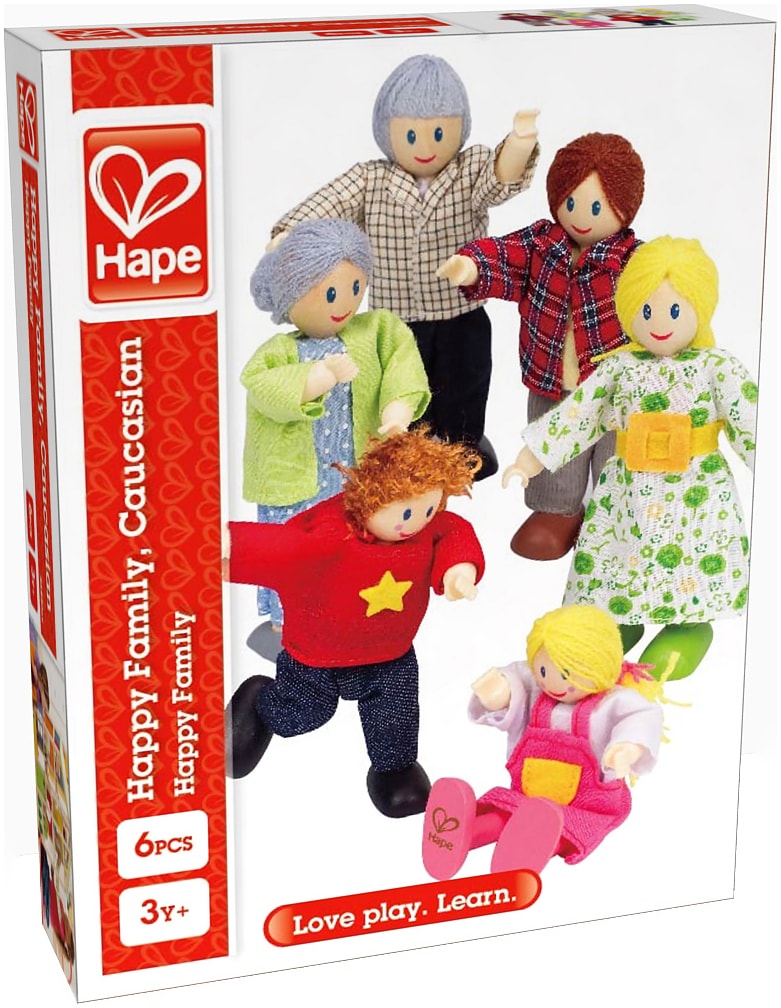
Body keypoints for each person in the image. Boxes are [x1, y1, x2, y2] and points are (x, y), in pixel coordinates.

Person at [270, 54, 540, 478]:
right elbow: (330, 201)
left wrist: (520, 142)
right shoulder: (371, 179)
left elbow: (500, 178)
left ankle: (463, 445)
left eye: (439, 133)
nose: (426, 147)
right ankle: (406, 447)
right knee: (401, 382)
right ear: (387, 131)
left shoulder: (467, 170)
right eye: (412, 134)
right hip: (398, 316)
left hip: (460, 309)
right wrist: (289, 232)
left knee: (466, 380)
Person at [503, 237, 757, 679]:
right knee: (617, 562)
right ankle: (615, 623)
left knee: (690, 564)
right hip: (627, 497)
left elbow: (751, 420)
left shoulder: (717, 368)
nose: (659, 323)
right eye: (646, 310)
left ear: (699, 307)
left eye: (673, 310)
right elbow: (577, 416)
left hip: (695, 497)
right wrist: (531, 458)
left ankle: (688, 628)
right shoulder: (617, 369)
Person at [224, 428, 485, 818]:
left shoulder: (427, 527)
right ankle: (259, 703)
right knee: (301, 714)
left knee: (395, 717)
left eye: (428, 509)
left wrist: (458, 569)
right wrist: (225, 544)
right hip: (315, 657)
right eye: (406, 513)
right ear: (372, 500)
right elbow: (277, 548)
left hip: (390, 655)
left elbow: (454, 531)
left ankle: (395, 771)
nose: (414, 525)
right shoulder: (327, 540)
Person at [439, 132, 645, 559]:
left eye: (596, 207)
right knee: (554, 448)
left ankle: (613, 518)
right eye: (570, 202)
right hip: (552, 380)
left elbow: (663, 295)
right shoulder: (542, 245)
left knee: (617, 453)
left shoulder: (633, 260)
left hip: (613, 388)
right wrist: (472, 266)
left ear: (624, 206)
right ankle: (556, 510)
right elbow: (503, 255)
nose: (581, 218)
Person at [241, 219, 430, 659]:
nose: (344, 304)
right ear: (291, 295)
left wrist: (397, 409)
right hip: (297, 480)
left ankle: (350, 614)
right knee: (293, 548)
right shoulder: (278, 352)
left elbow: (402, 360)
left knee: (355, 543)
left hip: (356, 470)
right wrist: (316, 378)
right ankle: (286, 627)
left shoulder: (375, 330)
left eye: (355, 288)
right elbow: (263, 388)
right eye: (329, 294)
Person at [422, 605, 664, 880]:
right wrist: (500, 692)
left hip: (587, 806)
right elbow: (514, 677)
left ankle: (524, 851)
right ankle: (460, 834)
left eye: (566, 675)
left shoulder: (613, 703)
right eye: (544, 672)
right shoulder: (534, 687)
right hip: (526, 797)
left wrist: (627, 747)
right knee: (507, 815)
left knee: (561, 829)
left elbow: (641, 716)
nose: (553, 685)